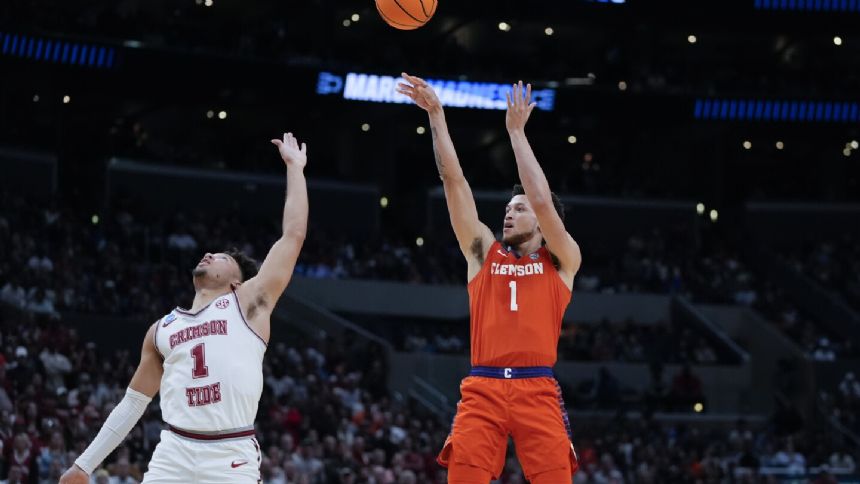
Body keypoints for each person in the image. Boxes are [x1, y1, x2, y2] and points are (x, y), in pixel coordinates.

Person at [59, 132, 310, 484]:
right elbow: (132, 404)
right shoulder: (162, 330)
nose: (208, 254)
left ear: (237, 282)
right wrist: (84, 465)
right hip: (173, 453)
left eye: (221, 257)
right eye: (209, 253)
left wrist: (295, 168)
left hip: (229, 455)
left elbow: (293, 235)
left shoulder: (247, 304)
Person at [397, 75, 582, 483]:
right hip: (483, 388)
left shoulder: (563, 259)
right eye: (507, 208)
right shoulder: (483, 253)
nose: (509, 213)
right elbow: (454, 182)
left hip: (538, 390)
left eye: (519, 209)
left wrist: (516, 133)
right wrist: (437, 116)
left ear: (544, 220)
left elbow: (540, 196)